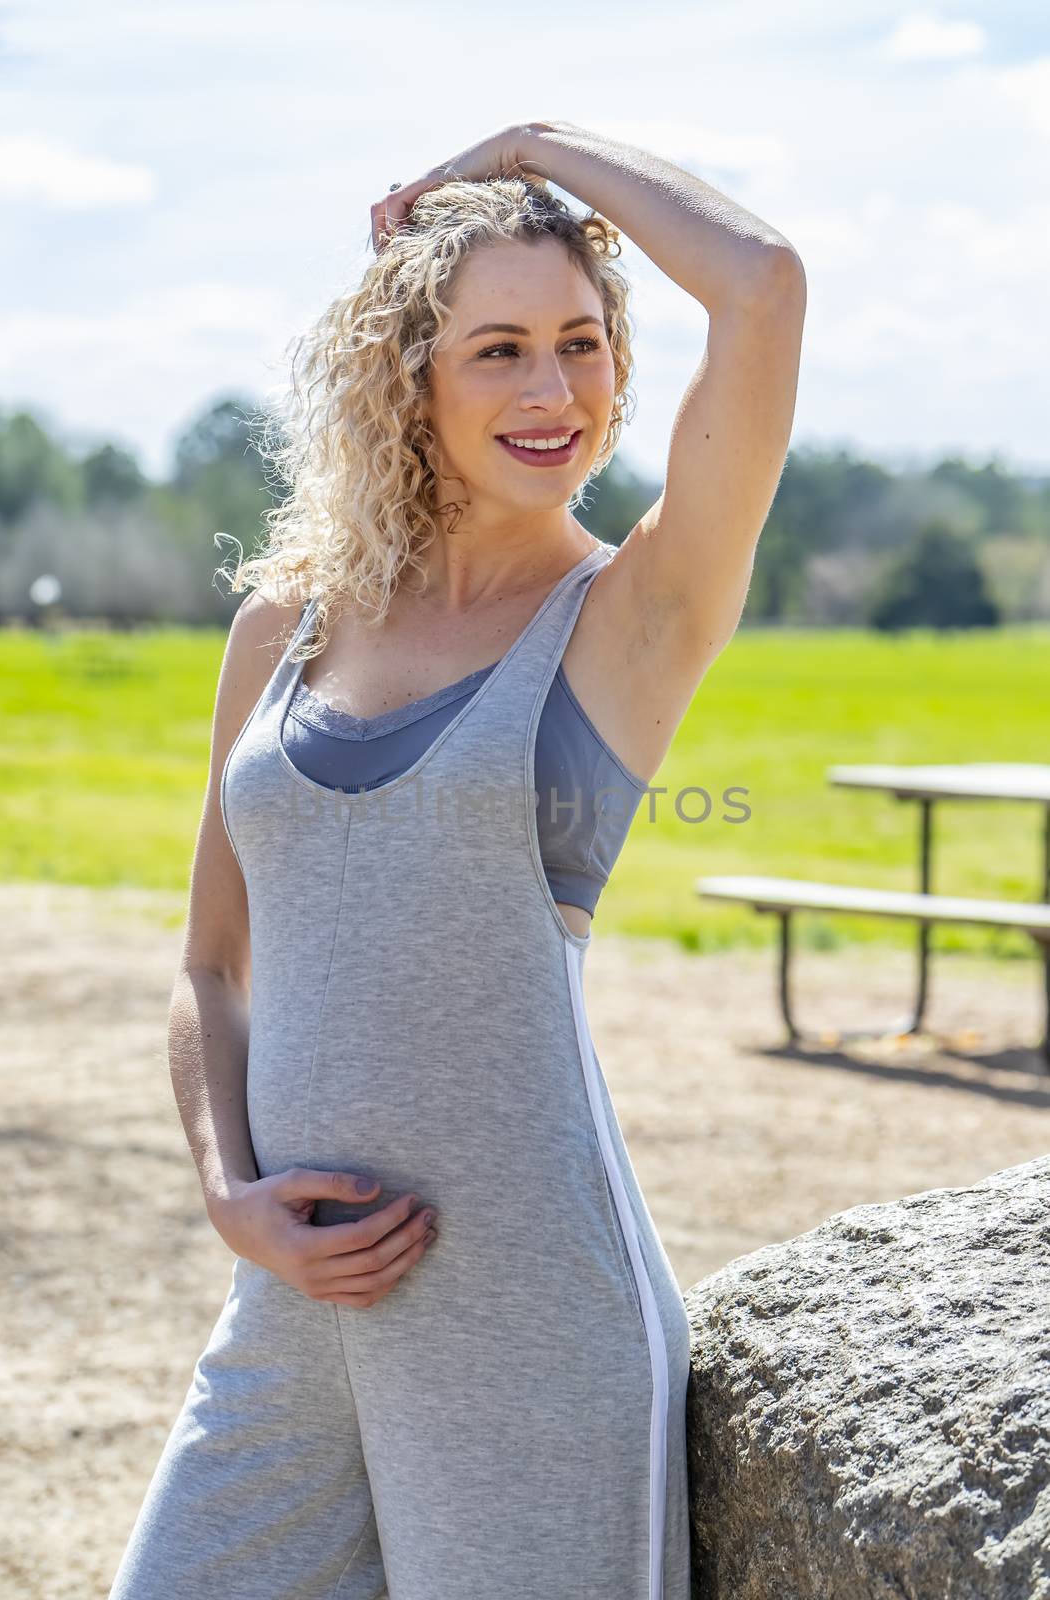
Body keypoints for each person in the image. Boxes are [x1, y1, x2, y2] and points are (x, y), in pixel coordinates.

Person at [107, 119, 805, 1600]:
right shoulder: (280, 633)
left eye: (582, 341)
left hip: (526, 1316)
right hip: (290, 1304)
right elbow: (212, 968)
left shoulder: (631, 621)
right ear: (407, 376)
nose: (552, 390)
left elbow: (763, 286)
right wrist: (232, 1194)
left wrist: (540, 145)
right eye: (497, 348)